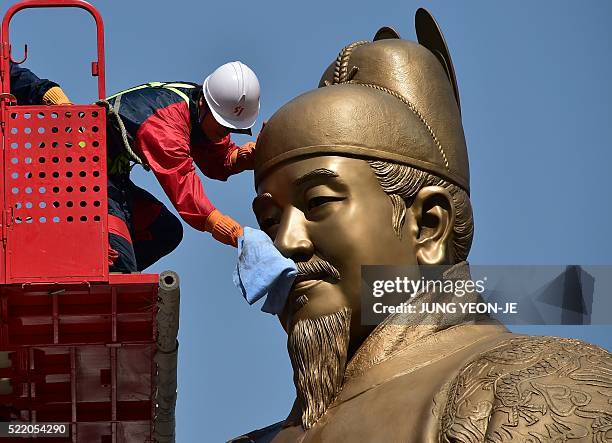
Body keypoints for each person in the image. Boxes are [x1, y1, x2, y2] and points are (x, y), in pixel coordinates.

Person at [231, 10, 612, 442]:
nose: (285, 242)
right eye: (269, 220)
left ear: (427, 225)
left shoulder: (538, 388)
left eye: (318, 202)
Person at [104, 61, 260, 272]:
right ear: (206, 104)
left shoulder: (197, 107)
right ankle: (109, 269)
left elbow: (217, 158)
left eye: (232, 128)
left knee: (165, 232)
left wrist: (243, 157)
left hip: (111, 178)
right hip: (82, 180)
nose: (226, 133)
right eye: (223, 125)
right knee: (119, 264)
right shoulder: (165, 125)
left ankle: (120, 267)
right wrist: (221, 225)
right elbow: (183, 187)